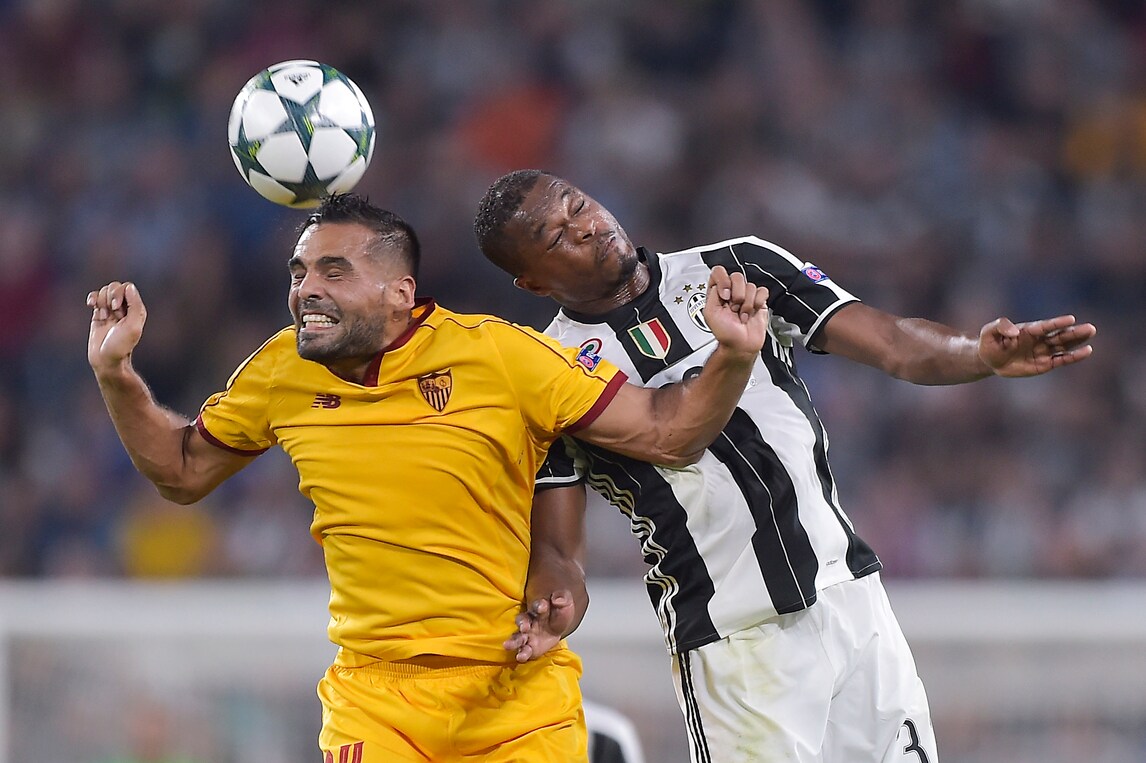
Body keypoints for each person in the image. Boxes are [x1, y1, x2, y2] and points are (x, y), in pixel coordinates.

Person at [86, 193, 770, 763]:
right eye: (299, 273)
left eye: (333, 271)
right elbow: (181, 470)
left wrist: (733, 357)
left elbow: (664, 429)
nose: (306, 290)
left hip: (516, 694)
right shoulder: (279, 371)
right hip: (376, 702)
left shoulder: (501, 356)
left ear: (400, 292)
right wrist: (115, 374)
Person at [473, 169, 1097, 763]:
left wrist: (977, 353)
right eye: (557, 236)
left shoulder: (737, 265)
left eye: (578, 204)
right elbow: (559, 548)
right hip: (735, 636)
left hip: (850, 596)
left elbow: (892, 344)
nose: (586, 226)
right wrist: (558, 598)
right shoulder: (548, 372)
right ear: (532, 283)